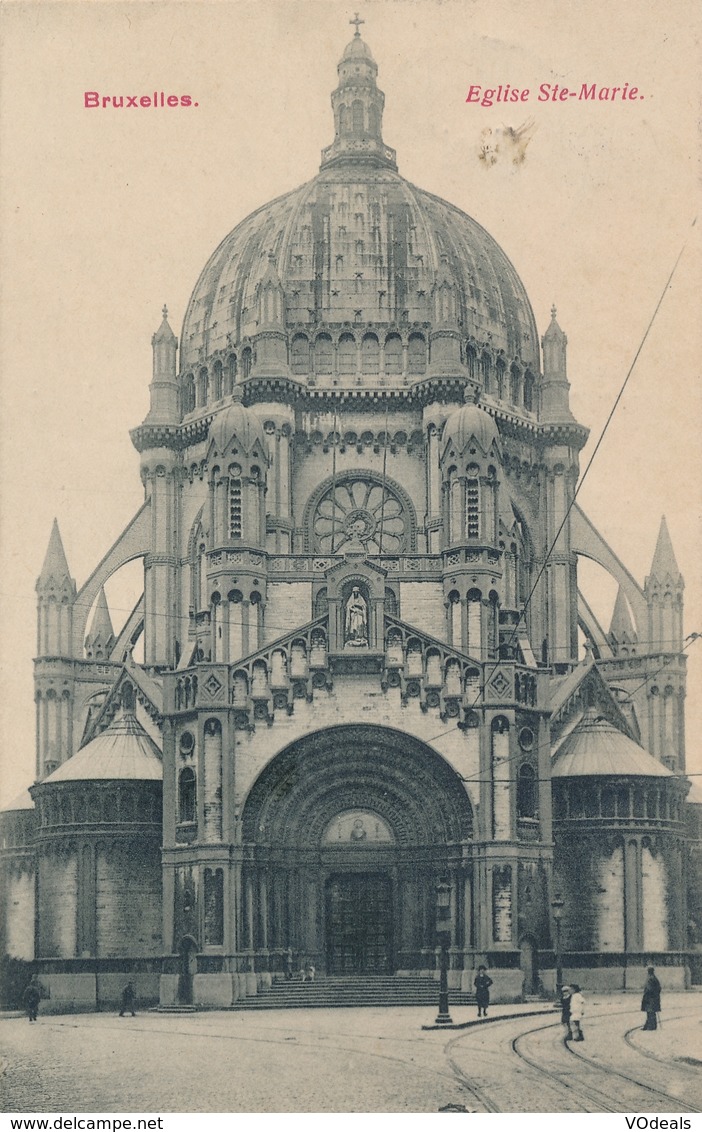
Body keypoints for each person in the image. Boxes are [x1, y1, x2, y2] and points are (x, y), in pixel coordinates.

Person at [641, 966, 662, 1030]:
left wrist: (646, 994)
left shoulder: (651, 978)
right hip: (653, 998)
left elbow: (649, 989)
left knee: (650, 1012)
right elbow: (659, 988)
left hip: (650, 998)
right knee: (650, 1012)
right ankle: (649, 1025)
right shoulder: (654, 978)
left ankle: (651, 1026)